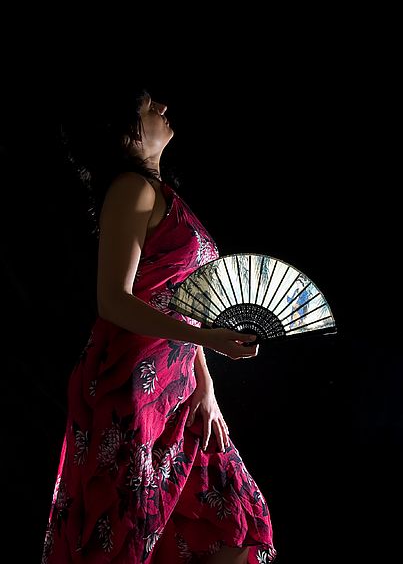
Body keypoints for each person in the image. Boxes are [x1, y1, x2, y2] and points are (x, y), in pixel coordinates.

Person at [41, 87, 277, 564]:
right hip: (128, 386)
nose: (162, 108)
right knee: (123, 540)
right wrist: (205, 337)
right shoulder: (131, 189)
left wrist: (205, 387)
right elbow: (113, 301)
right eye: (147, 107)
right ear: (124, 133)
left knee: (229, 526)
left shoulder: (161, 194)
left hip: (176, 386)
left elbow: (181, 302)